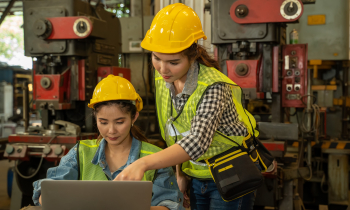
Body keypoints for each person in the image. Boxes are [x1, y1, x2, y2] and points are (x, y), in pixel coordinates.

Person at [114, 3, 262, 210]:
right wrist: (180, 172)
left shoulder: (213, 86)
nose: (163, 69)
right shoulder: (164, 79)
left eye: (173, 62)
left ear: (192, 56)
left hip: (230, 173)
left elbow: (197, 141)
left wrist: (143, 163)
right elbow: (176, 129)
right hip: (196, 174)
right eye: (156, 58)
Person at [32, 75, 184, 210]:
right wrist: (47, 198)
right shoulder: (81, 153)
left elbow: (169, 205)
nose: (111, 131)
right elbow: (47, 189)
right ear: (95, 118)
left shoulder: (154, 157)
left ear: (134, 117)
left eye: (119, 122)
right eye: (103, 122)